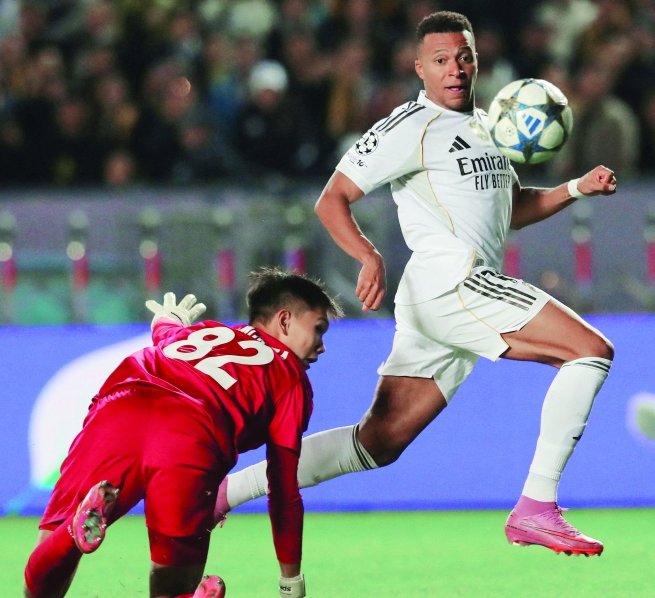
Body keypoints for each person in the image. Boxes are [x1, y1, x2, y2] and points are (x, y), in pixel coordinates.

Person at [218, 11, 617, 557]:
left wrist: (575, 187)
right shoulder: (409, 126)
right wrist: (368, 255)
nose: (454, 69)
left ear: (476, 61)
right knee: (589, 353)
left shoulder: (487, 129)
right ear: (419, 69)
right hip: (455, 283)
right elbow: (331, 198)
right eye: (440, 60)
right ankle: (537, 507)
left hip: (443, 299)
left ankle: (224, 492)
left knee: (378, 442)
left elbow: (512, 209)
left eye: (463, 57)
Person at [22, 270, 340, 598]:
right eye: (318, 329)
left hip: (119, 410)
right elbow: (284, 493)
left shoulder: (207, 332)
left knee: (40, 592)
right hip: (189, 438)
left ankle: (75, 533)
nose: (321, 346)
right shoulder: (291, 380)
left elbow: (167, 334)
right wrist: (291, 589)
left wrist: (168, 318)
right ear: (284, 320)